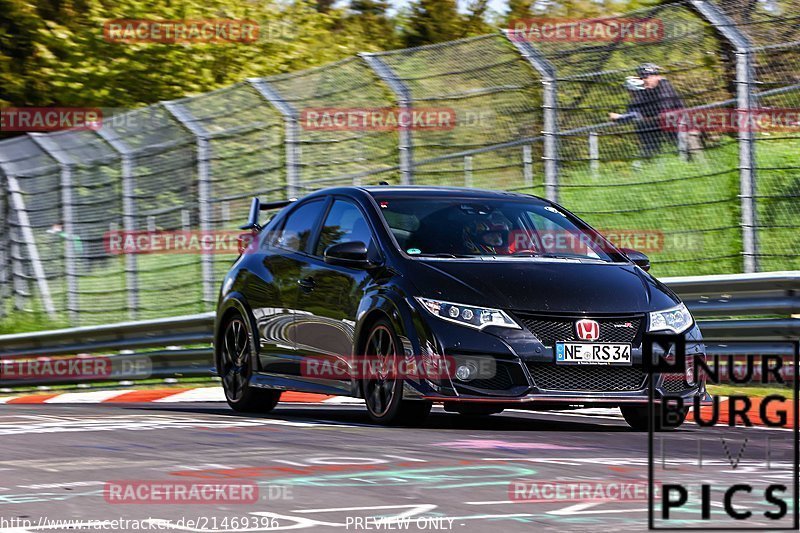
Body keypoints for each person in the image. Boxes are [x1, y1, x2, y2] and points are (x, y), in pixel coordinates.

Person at [609, 63, 684, 158]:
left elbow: (664, 111)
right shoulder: (644, 90)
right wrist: (623, 117)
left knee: (685, 151)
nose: (644, 80)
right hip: (657, 127)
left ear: (656, 76)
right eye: (641, 77)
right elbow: (635, 110)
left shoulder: (664, 86)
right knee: (649, 146)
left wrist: (624, 117)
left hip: (677, 124)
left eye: (646, 77)